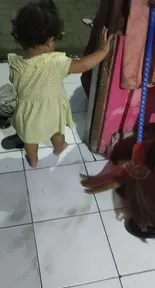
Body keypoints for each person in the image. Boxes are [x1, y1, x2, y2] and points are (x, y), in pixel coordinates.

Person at [7, 0, 112, 167]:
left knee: (30, 139)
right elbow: (83, 64)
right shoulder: (57, 62)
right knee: (57, 131)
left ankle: (32, 161)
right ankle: (59, 147)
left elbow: (15, 83)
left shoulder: (16, 64)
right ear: (49, 42)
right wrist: (102, 51)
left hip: (27, 113)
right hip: (52, 110)